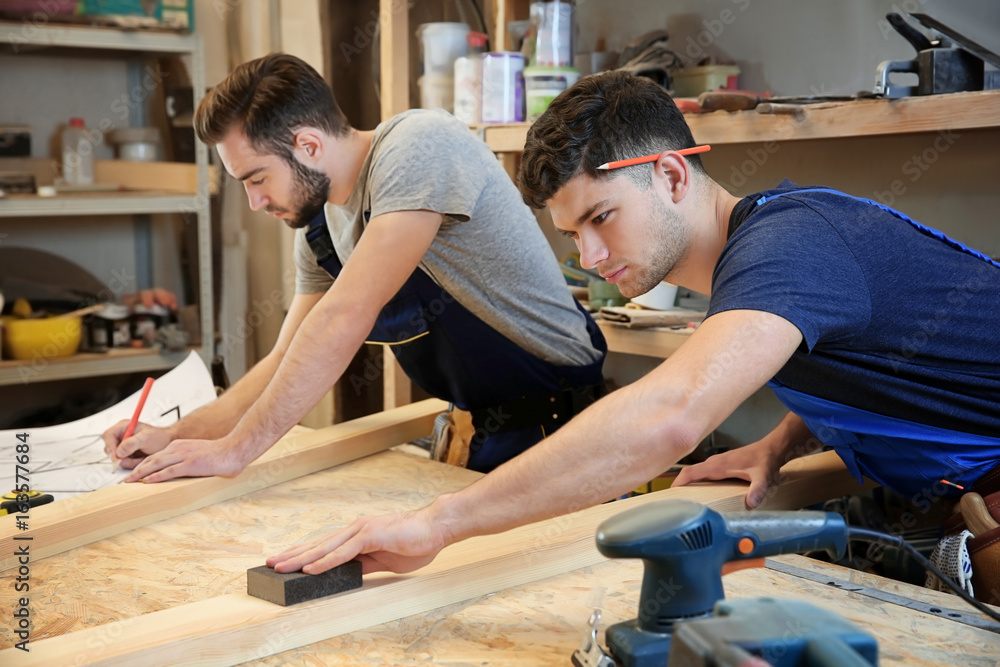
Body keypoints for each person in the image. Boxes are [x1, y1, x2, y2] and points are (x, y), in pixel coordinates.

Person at [264, 69, 1000, 578]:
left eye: (602, 217)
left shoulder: (792, 245)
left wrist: (438, 523)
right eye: (570, 234)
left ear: (673, 175)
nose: (587, 255)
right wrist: (780, 441)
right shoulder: (762, 266)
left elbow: (670, 416)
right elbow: (874, 359)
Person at [102, 53, 606, 478]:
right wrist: (174, 434)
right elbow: (286, 358)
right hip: (477, 434)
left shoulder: (418, 146)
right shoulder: (320, 228)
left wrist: (237, 451)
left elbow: (344, 316)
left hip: (562, 427)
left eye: (257, 179)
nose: (255, 202)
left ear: (309, 145)